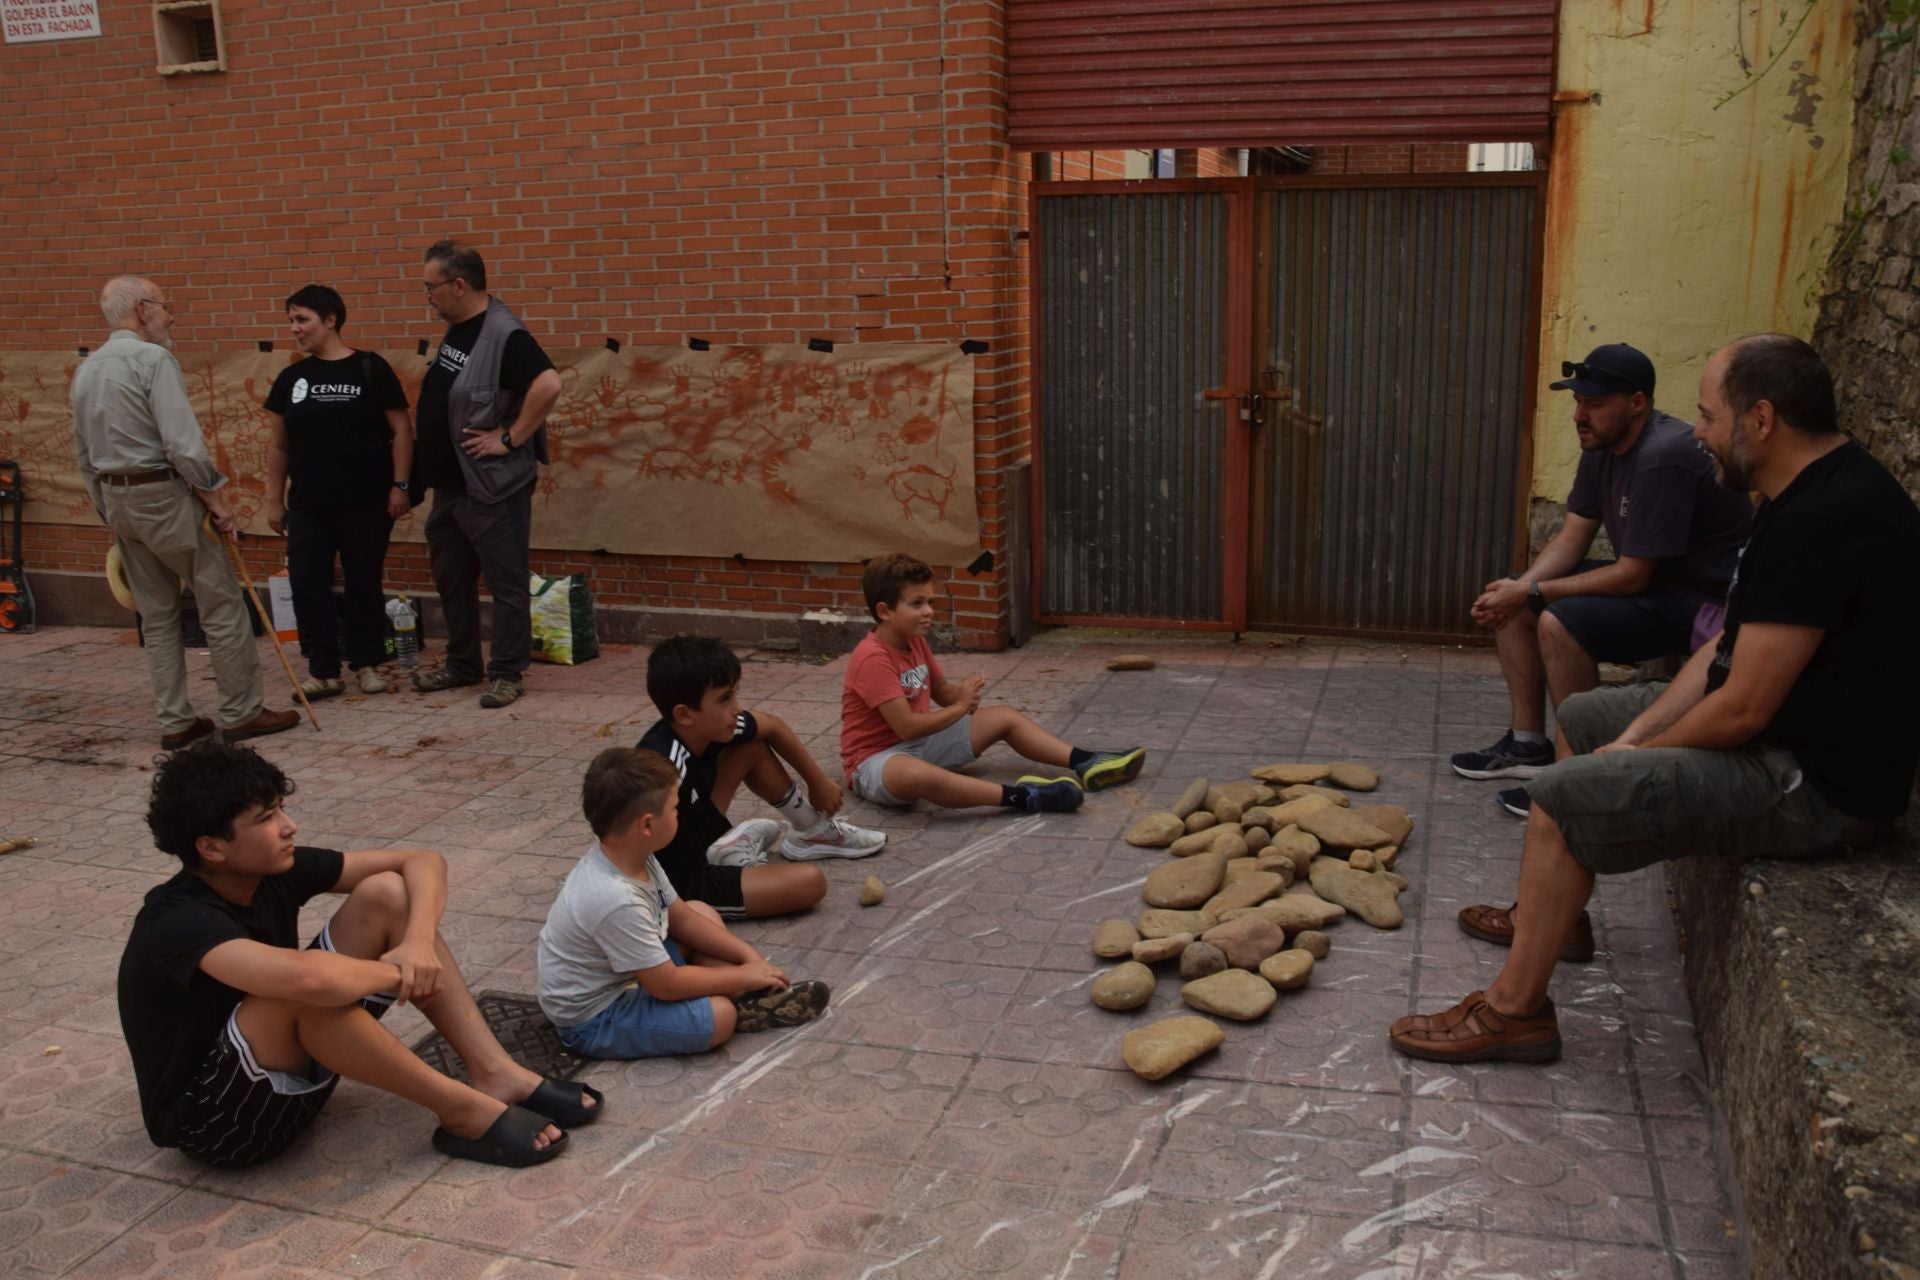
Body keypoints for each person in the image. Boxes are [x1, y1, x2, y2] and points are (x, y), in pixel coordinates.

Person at [1392, 334, 1920, 1065]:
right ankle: (1562, 920)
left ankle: (1515, 1012)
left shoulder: (1823, 523)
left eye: (1709, 415)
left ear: (1760, 419)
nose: (1697, 430)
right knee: (1583, 717)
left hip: (1818, 785)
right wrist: (1637, 727)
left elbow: (1742, 711)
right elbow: (1721, 651)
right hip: (1780, 735)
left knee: (1563, 793)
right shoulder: (1797, 491)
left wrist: (1635, 755)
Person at [118, 740, 603, 1167]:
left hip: (286, 1082)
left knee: (387, 893)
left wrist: (415, 943)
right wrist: (394, 975)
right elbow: (308, 981)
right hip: (218, 1125)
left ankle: (496, 1074)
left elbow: (421, 861)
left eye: (281, 808)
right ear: (211, 848)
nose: (289, 826)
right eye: (266, 819)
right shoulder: (176, 920)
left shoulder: (272, 871)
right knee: (304, 988)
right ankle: (461, 1110)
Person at [1451, 342, 1753, 818]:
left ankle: (1581, 778)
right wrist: (1518, 590)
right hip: (1658, 585)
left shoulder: (1663, 455)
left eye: (1594, 404)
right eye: (1577, 402)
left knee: (1559, 621)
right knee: (1513, 596)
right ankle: (1528, 744)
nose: (1579, 415)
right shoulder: (1601, 442)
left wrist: (1533, 593)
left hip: (1704, 606)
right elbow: (1572, 538)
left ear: (1637, 403)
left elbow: (1633, 576)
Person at [70, 275, 298, 750]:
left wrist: (105, 508)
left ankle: (176, 720)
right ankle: (242, 711)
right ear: (144, 309)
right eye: (167, 307)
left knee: (156, 615)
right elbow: (181, 443)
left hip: (119, 499)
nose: (171, 317)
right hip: (163, 494)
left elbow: (83, 453)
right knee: (222, 606)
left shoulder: (88, 369)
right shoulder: (153, 358)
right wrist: (215, 499)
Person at [538, 748, 832, 1059]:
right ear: (648, 825)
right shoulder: (614, 898)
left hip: (631, 973)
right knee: (721, 1016)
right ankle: (736, 1003)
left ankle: (742, 995)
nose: (680, 814)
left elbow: (685, 919)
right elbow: (666, 985)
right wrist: (744, 975)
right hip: (596, 1017)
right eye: (675, 808)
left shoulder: (634, 854)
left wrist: (749, 957)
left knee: (701, 911)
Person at [841, 553, 1144, 813]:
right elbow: (906, 727)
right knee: (920, 777)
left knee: (1005, 717)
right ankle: (1024, 797)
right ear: (885, 611)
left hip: (920, 744)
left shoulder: (914, 640)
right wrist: (961, 707)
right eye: (917, 603)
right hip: (875, 762)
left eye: (930, 601)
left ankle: (1087, 762)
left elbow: (944, 694)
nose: (929, 611)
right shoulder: (872, 658)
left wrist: (965, 693)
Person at [409, 240, 562, 709]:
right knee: (452, 580)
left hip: (492, 489)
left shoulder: (504, 333)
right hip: (452, 489)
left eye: (431, 287)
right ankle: (462, 664)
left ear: (459, 284)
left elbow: (549, 383)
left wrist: (510, 437)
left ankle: (507, 673)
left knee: (506, 582)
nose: (427, 296)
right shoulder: (459, 329)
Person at [637, 635, 886, 921]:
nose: (737, 707)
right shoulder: (659, 771)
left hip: (697, 829)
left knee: (750, 747)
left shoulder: (711, 726)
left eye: (735, 693)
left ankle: (810, 831)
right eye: (725, 699)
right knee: (810, 883)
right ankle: (726, 854)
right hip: (685, 883)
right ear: (684, 715)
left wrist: (818, 782)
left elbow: (773, 726)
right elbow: (632, 846)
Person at [262, 285, 413, 700]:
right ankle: (323, 670)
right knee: (308, 583)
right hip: (309, 505)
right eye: (291, 320)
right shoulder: (293, 378)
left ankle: (366, 663)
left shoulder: (370, 368)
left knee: (364, 583)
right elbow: (279, 446)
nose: (295, 329)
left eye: (303, 319)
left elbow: (401, 430)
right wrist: (274, 500)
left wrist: (401, 485)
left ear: (331, 320)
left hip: (366, 501)